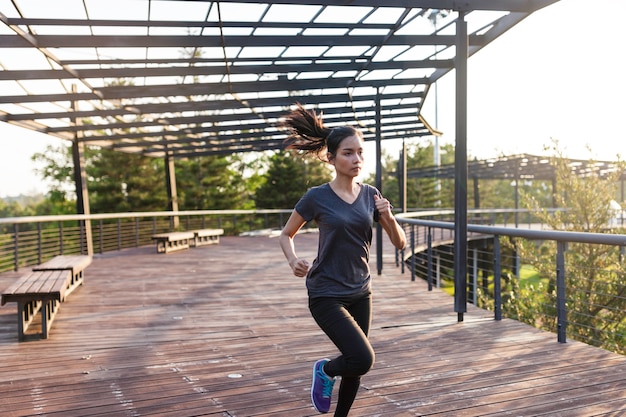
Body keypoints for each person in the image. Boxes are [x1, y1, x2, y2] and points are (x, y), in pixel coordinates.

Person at [278, 103, 407, 416]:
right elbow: (286, 234)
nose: (357, 159)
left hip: (361, 292)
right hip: (326, 293)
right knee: (363, 358)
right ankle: (324, 370)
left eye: (360, 152)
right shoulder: (316, 197)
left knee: (355, 366)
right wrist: (293, 259)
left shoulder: (371, 194)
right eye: (348, 153)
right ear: (331, 157)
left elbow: (400, 243)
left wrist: (388, 218)